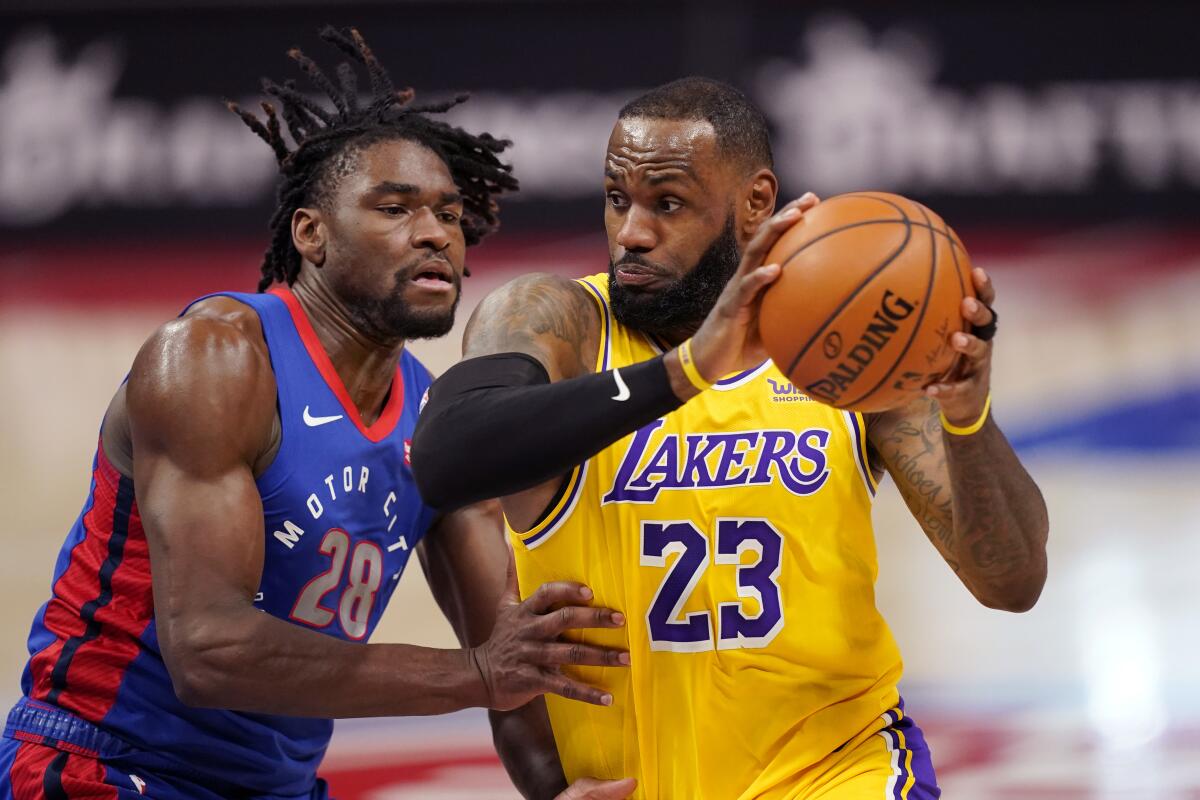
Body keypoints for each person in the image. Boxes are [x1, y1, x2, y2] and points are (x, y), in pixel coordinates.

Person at [0, 28, 629, 800]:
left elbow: (512, 658)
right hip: (108, 761)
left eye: (449, 214)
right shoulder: (215, 358)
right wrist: (471, 676)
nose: (434, 232)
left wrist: (553, 788)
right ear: (311, 235)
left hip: (274, 785)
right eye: (395, 208)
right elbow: (208, 652)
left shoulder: (438, 421)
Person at [412, 77, 1050, 799]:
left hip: (842, 770)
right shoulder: (558, 321)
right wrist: (683, 372)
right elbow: (444, 458)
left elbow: (1014, 583)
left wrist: (967, 416)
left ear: (754, 203)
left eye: (669, 203)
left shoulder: (848, 348)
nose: (632, 232)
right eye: (617, 198)